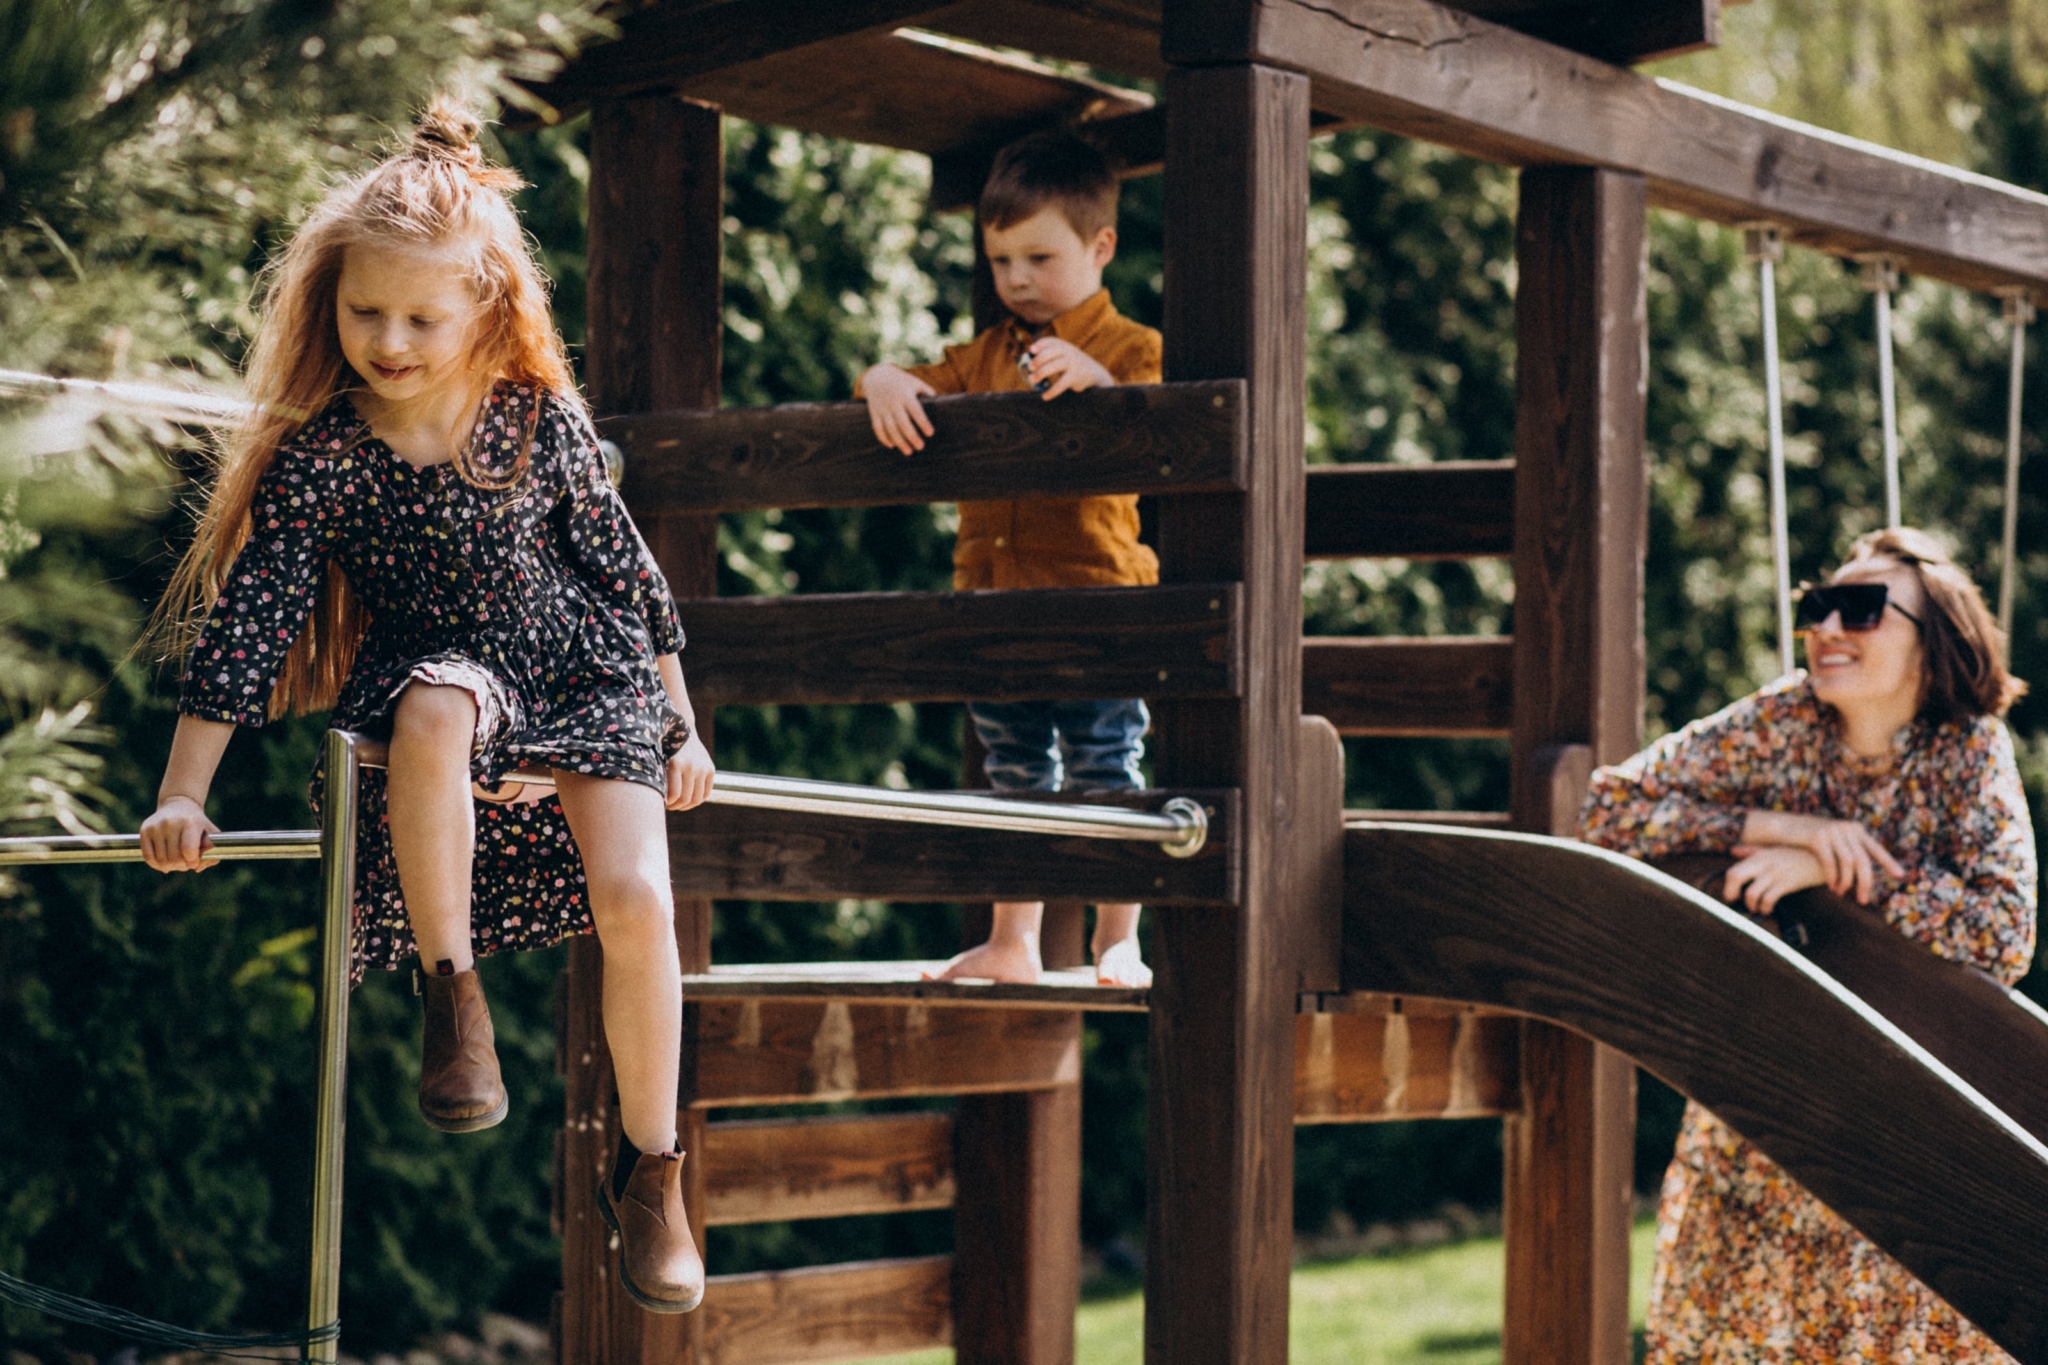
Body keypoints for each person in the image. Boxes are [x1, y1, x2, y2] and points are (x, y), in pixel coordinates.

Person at [138, 102, 710, 1315]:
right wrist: (184, 788)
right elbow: (250, 624)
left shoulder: (538, 419)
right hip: (442, 674)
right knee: (437, 708)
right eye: (363, 313)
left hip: (583, 668)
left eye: (419, 318)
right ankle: (454, 1003)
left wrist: (677, 718)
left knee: (639, 897)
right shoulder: (326, 459)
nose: (388, 340)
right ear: (328, 304)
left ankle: (654, 1171)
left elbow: (623, 572)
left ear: (487, 310)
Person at [1582, 527, 2036, 1363]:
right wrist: (1785, 827)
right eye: (1818, 606)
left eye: (1861, 609)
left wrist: (1836, 873)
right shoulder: (1782, 716)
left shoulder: (1969, 748)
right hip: (1763, 1107)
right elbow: (1607, 809)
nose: (1828, 627)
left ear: (1934, 643)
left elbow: (2004, 932)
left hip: (1905, 1124)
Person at [859, 130, 1160, 989]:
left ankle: (1115, 941)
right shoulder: (986, 352)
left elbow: (1164, 419)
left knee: (1107, 765)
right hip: (992, 601)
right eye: (1000, 259)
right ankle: (1012, 940)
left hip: (1097, 604)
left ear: (1100, 247)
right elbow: (918, 376)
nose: (1018, 277)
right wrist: (883, 378)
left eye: (1039, 255)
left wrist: (1103, 386)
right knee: (1014, 769)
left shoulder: (1132, 346)